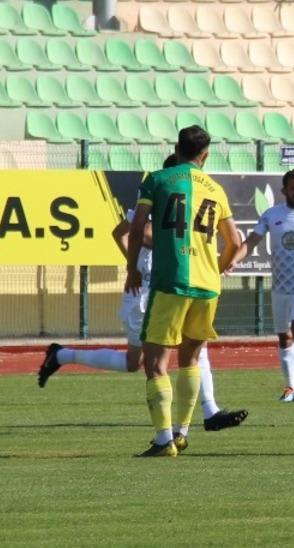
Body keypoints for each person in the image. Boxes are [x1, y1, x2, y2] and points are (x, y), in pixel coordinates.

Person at [36, 156, 248, 432]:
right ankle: (62, 355)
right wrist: (134, 266)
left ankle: (209, 411)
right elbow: (123, 232)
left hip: (173, 285)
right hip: (145, 291)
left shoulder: (186, 199)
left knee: (195, 347)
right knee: (136, 362)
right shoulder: (155, 197)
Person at [127, 126, 242, 457]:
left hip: (171, 280)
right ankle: (182, 432)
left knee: (155, 363)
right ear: (205, 155)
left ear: (176, 148)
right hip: (208, 286)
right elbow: (234, 242)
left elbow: (137, 229)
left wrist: (132, 267)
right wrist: (216, 269)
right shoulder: (216, 189)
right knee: (191, 358)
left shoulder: (158, 179)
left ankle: (164, 440)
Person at [234, 168, 294, 402]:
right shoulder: (271, 214)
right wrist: (232, 261)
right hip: (280, 286)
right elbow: (252, 241)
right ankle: (289, 387)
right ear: (284, 190)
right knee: (284, 338)